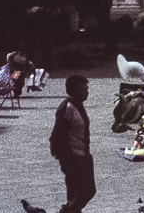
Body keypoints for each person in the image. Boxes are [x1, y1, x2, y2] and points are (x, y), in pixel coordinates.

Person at [51, 74, 95, 213]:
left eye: (86, 88)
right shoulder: (67, 108)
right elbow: (57, 136)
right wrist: (65, 159)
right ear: (74, 92)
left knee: (88, 191)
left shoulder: (78, 105)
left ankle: (70, 210)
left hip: (83, 155)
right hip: (73, 158)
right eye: (83, 89)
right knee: (78, 193)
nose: (86, 92)